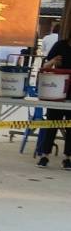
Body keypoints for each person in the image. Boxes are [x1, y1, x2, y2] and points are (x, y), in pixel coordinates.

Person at [34, 32, 71, 168]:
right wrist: (54, 61)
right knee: (52, 124)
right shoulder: (60, 45)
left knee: (70, 127)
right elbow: (46, 66)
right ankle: (45, 155)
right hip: (57, 89)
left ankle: (67, 158)